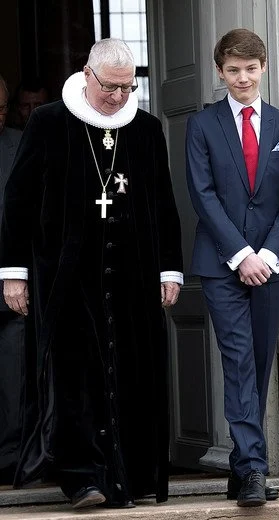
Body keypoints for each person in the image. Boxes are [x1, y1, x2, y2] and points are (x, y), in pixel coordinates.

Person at [0, 38, 183, 509]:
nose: (119, 97)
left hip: (132, 275)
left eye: (127, 87)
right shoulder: (48, 123)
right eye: (110, 87)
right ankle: (83, 478)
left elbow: (163, 203)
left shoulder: (144, 129)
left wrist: (169, 269)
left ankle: (135, 476)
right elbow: (17, 203)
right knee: (74, 378)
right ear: (87, 74)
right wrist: (14, 273)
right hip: (66, 277)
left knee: (132, 373)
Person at [185, 28, 279, 508]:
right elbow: (203, 194)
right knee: (238, 362)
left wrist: (269, 254)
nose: (242, 77)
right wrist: (241, 255)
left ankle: (242, 467)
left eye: (250, 69)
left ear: (264, 69)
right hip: (222, 266)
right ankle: (256, 470)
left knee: (256, 365)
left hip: (272, 265)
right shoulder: (203, 126)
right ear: (220, 71)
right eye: (233, 69)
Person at [0, 74, 25, 485]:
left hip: (15, 285)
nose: (0, 113)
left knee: (13, 377)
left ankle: (9, 461)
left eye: (4, 104)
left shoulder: (21, 142)